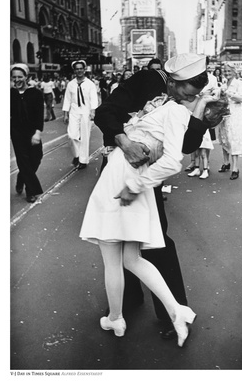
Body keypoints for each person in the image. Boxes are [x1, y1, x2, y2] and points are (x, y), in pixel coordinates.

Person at [81, 54, 228, 346]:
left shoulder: (189, 101)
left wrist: (199, 116)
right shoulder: (147, 80)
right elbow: (105, 112)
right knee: (127, 250)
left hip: (142, 176)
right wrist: (125, 141)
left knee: (149, 242)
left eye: (196, 91)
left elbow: (184, 147)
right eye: (187, 89)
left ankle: (163, 313)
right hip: (126, 164)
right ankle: (128, 303)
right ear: (171, 79)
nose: (190, 94)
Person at [10, 64, 44, 203]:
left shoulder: (35, 93)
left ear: (26, 77)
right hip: (16, 132)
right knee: (23, 160)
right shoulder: (10, 93)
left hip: (32, 131)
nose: (17, 79)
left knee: (36, 158)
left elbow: (39, 115)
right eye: (14, 77)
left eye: (20, 77)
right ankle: (31, 192)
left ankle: (21, 177)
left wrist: (37, 133)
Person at [62, 60, 99, 169]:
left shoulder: (90, 84)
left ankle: (83, 160)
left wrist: (93, 112)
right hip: (74, 112)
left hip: (86, 112)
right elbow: (67, 100)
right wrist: (65, 114)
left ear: (84, 69)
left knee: (85, 136)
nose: (79, 70)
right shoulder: (71, 84)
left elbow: (94, 99)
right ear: (74, 70)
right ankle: (76, 155)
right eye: (76, 69)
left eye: (81, 68)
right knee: (72, 135)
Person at [217, 64, 242, 180]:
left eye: (229, 71)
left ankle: (235, 168)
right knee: (224, 138)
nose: (226, 73)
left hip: (235, 114)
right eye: (225, 71)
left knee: (234, 139)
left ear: (234, 72)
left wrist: (229, 94)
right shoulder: (224, 83)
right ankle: (226, 163)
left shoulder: (239, 83)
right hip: (224, 114)